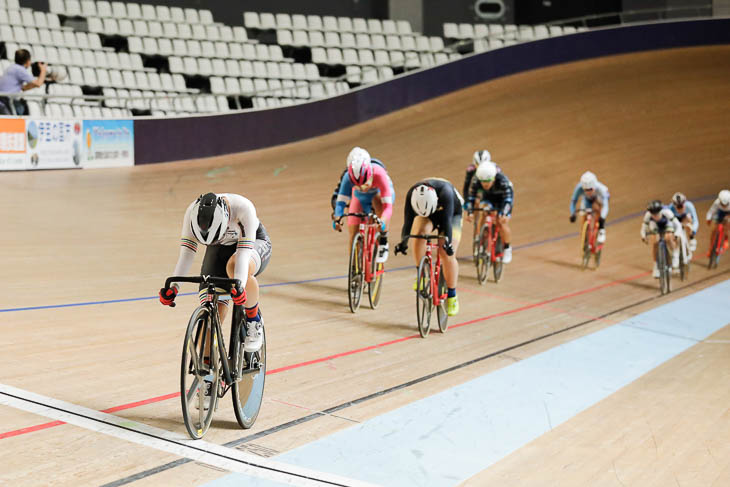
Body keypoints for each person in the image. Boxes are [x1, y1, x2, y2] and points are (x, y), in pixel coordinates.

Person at [159, 193, 272, 353]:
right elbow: (187, 254)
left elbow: (243, 256)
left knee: (234, 268)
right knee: (211, 310)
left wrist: (239, 287)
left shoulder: (243, 208)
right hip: (218, 249)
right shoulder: (192, 213)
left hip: (253, 244)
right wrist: (174, 287)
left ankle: (254, 320)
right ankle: (209, 372)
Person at [394, 178, 463, 316]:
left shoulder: (446, 193)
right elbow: (408, 223)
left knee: (446, 253)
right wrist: (403, 243)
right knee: (419, 234)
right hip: (428, 213)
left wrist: (448, 244)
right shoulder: (411, 195)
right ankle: (422, 274)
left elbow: (447, 223)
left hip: (451, 214)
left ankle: (452, 296)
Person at [332, 147, 394, 262]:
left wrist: (383, 221)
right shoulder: (347, 177)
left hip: (378, 193)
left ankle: (383, 241)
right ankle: (355, 266)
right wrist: (337, 218)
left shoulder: (379, 174)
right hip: (360, 197)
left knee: (378, 201)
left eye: (364, 184)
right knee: (353, 229)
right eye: (357, 185)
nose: (362, 187)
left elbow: (388, 207)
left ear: (370, 174)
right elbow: (340, 203)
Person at [465, 161, 514, 264]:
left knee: (502, 221)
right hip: (488, 198)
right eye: (483, 182)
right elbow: (470, 198)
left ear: (494, 178)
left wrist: (504, 213)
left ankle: (507, 248)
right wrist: (470, 212)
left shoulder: (503, 181)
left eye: (488, 181)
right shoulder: (476, 180)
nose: (485, 184)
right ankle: (482, 236)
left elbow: (508, 200)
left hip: (503, 199)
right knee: (484, 211)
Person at [641, 200, 682, 278]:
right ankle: (656, 266)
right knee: (655, 241)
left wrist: (676, 234)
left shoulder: (667, 212)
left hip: (667, 224)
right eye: (653, 214)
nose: (655, 216)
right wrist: (643, 236)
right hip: (655, 225)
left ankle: (675, 255)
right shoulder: (648, 215)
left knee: (668, 237)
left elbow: (678, 225)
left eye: (657, 214)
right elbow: (644, 227)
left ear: (660, 211)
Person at [0, 49, 47, 115]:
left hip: (4, 99)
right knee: (18, 112)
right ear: (27, 61)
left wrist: (30, 86)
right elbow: (38, 83)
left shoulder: (12, 67)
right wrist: (43, 70)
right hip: (5, 100)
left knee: (21, 107)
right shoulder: (20, 70)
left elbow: (23, 88)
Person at [569, 171, 610, 244]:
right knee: (584, 215)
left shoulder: (600, 189)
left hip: (599, 198)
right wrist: (573, 214)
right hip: (587, 200)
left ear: (594, 187)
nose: (588, 192)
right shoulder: (579, 188)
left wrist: (602, 219)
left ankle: (601, 230)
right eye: (586, 190)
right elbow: (573, 201)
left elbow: (606, 206)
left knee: (598, 209)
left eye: (590, 189)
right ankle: (585, 239)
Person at [705, 189, 730, 256]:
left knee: (727, 224)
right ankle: (711, 248)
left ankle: (725, 239)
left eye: (726, 204)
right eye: (722, 204)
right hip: (720, 213)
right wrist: (708, 219)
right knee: (714, 230)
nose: (724, 205)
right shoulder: (717, 202)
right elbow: (711, 211)